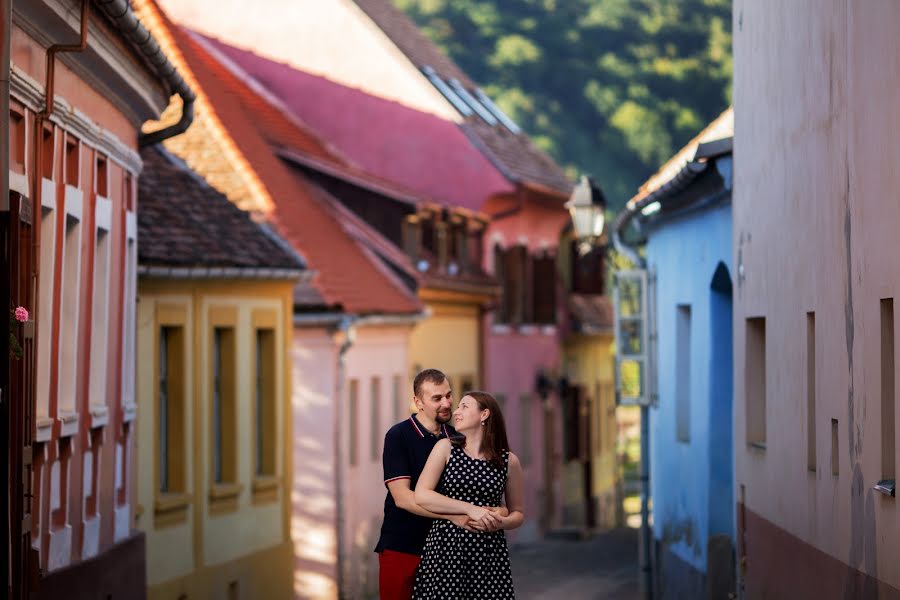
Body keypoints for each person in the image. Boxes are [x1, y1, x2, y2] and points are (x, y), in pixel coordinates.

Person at [375, 369, 504, 599]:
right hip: (403, 546)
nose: (446, 403)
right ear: (418, 402)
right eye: (437, 398)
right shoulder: (398, 436)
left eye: (448, 395)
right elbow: (403, 498)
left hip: (448, 550)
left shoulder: (457, 438)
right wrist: (452, 516)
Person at [412, 391, 524, 599]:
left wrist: (500, 522)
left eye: (464, 407)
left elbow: (517, 513)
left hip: (489, 553)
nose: (456, 412)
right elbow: (422, 494)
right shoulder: (445, 448)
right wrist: (470, 509)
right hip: (447, 548)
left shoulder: (509, 461)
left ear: (484, 415)